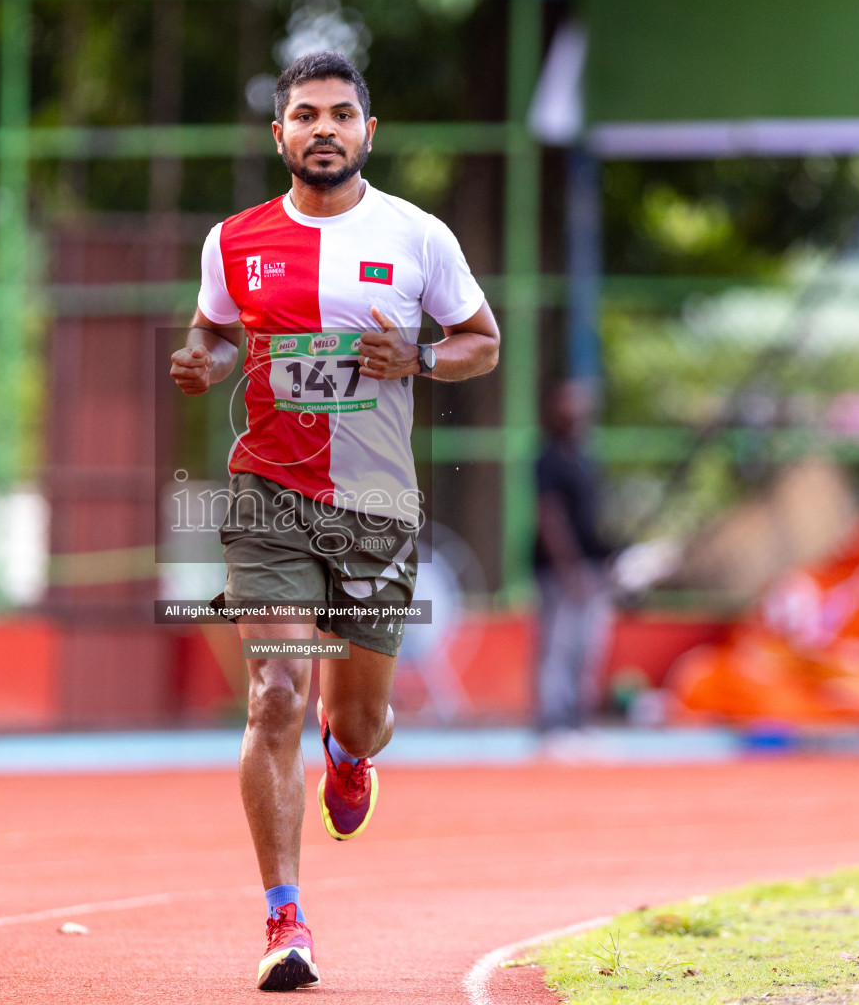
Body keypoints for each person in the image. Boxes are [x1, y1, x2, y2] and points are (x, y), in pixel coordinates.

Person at [169, 51, 500, 991]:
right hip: (268, 497)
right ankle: (286, 924)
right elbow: (218, 332)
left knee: (360, 716)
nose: (324, 128)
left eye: (341, 114)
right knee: (276, 692)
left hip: (374, 506)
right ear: (279, 135)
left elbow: (484, 341)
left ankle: (348, 760)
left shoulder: (418, 237)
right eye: (305, 114)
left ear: (368, 131)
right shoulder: (232, 240)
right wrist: (205, 359)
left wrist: (426, 359)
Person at [533, 381, 613, 732]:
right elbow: (550, 516)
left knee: (588, 646)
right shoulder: (549, 460)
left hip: (592, 567)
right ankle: (553, 720)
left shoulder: (585, 459)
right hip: (561, 571)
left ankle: (579, 717)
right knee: (559, 645)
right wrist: (569, 569)